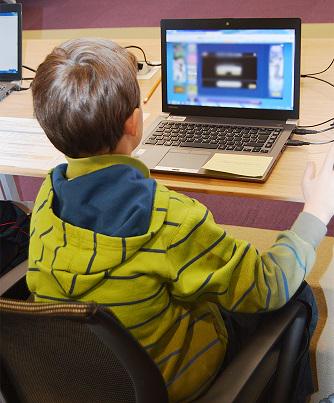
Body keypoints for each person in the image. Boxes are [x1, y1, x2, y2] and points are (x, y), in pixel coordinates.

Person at [27, 38, 334, 403]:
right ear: (135, 123)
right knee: (295, 294)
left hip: (90, 381)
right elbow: (269, 286)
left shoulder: (46, 196)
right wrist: (316, 210)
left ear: (51, 129)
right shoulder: (171, 219)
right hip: (171, 384)